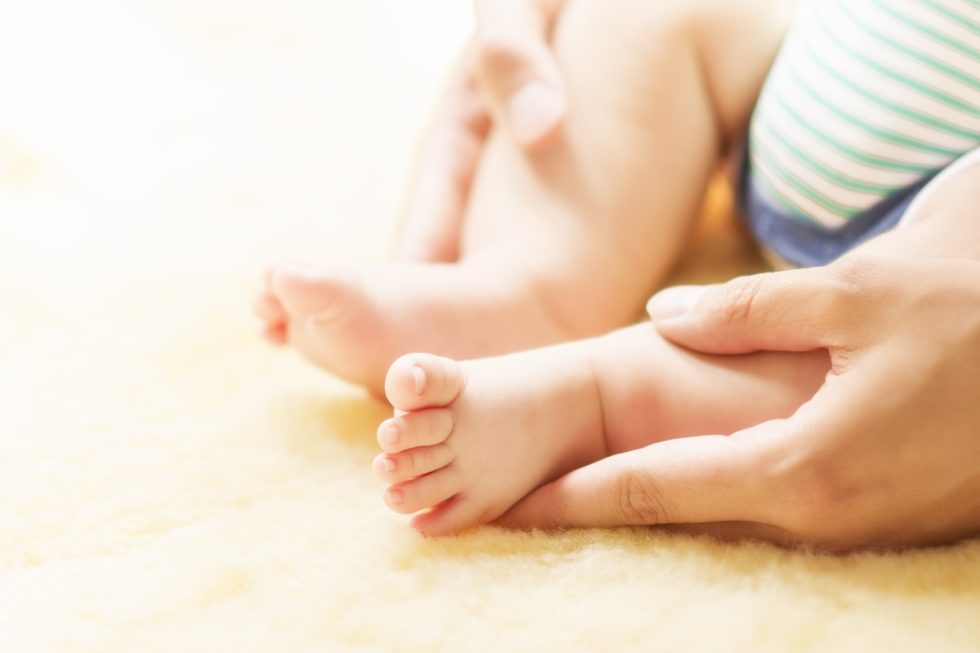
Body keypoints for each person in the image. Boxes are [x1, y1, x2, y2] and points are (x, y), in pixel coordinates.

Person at [256, 0, 980, 545]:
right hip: (821, 62)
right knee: (639, 12)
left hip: (951, 225)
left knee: (892, 367)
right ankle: (518, 287)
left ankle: (597, 399)